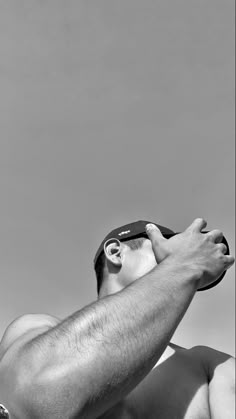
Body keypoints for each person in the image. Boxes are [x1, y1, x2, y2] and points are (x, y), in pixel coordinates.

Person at [0, 218, 234, 419]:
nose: (171, 258)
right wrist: (183, 266)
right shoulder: (35, 328)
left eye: (175, 255)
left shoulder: (211, 367)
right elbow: (33, 403)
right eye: (165, 250)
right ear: (115, 252)